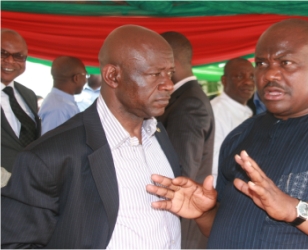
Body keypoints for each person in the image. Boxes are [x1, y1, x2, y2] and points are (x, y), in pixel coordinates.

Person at [147, 19, 308, 249]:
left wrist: (295, 210)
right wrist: (204, 214)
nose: (269, 74)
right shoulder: (240, 137)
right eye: (261, 63)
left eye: (286, 62)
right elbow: (231, 229)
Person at [2, 25, 181, 249]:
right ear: (112, 76)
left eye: (170, 73)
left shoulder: (158, 134)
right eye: (155, 74)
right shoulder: (49, 157)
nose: (169, 84)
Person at [157, 31, 214, 249]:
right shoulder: (184, 98)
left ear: (169, 61)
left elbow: (181, 174)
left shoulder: (188, 104)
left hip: (181, 224)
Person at [1, 28, 41, 173]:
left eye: (18, 56)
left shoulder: (28, 95)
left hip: (26, 184)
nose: (10, 61)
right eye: (2, 53)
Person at [211, 57, 254, 186]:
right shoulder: (216, 112)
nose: (248, 82)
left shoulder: (246, 110)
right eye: (240, 76)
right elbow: (214, 162)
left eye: (252, 76)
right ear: (224, 81)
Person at [38, 56, 86, 135]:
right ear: (76, 78)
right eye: (85, 75)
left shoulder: (61, 103)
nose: (85, 80)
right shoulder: (58, 108)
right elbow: (52, 144)